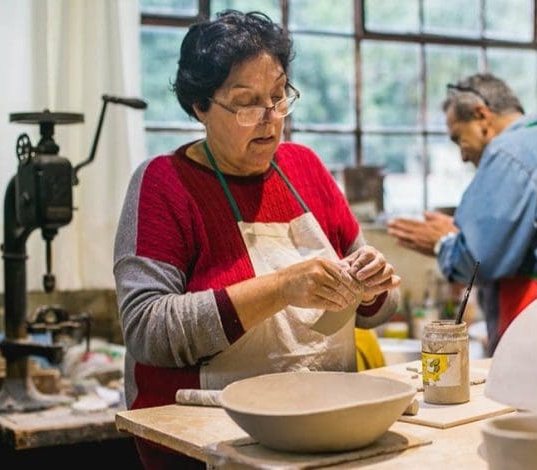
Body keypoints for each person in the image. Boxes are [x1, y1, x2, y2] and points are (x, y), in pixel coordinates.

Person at [113, 11, 400, 468]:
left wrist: (372, 286)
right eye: (246, 103)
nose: (270, 119)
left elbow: (380, 310)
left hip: (322, 428)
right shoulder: (165, 183)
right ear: (200, 107)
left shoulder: (305, 168)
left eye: (278, 96)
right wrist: (282, 288)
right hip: (211, 442)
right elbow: (148, 331)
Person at [387, 73, 537, 354]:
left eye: (458, 138)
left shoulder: (507, 154)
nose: (463, 156)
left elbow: (479, 260)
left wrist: (445, 244)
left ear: (481, 115)